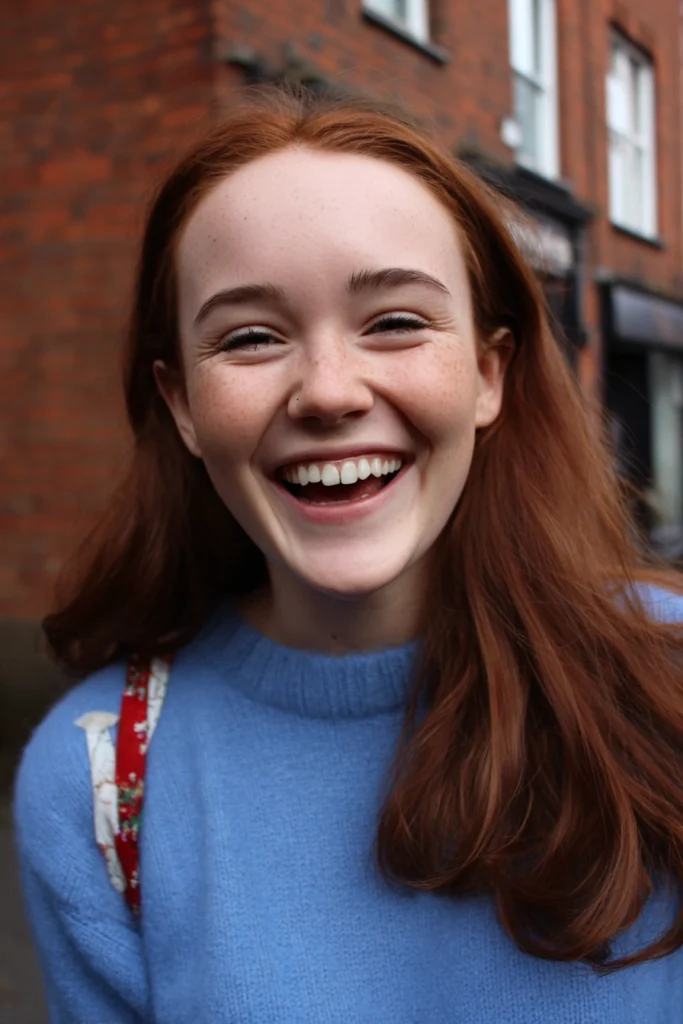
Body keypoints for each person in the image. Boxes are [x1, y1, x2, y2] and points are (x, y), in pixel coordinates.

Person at [13, 86, 683, 1023]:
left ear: (488, 374)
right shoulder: (97, 783)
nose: (328, 391)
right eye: (249, 337)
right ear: (181, 405)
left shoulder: (667, 681)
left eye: (396, 322)